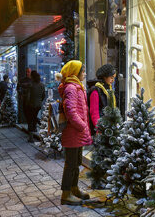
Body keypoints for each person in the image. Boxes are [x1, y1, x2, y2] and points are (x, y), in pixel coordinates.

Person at [58, 60, 92, 205]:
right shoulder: (71, 88)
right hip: (74, 132)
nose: (84, 74)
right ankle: (66, 194)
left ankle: (74, 188)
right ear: (75, 73)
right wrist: (82, 125)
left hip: (77, 132)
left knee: (77, 162)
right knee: (71, 164)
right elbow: (70, 111)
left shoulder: (77, 87)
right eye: (83, 71)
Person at [88, 64, 116, 134]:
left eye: (114, 78)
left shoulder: (108, 89)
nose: (113, 80)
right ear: (104, 77)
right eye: (111, 77)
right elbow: (94, 112)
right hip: (100, 130)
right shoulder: (95, 90)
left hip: (108, 129)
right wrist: (99, 129)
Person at [25, 70, 45, 142]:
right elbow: (43, 95)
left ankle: (31, 137)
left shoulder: (31, 85)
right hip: (38, 105)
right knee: (34, 117)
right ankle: (38, 127)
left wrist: (27, 103)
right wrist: (39, 101)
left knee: (30, 120)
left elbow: (28, 96)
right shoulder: (42, 85)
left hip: (31, 105)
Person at [17, 68, 33, 132]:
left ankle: (31, 127)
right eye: (27, 72)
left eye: (29, 72)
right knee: (26, 113)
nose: (27, 73)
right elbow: (18, 88)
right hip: (25, 100)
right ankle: (30, 126)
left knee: (31, 114)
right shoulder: (22, 80)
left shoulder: (33, 80)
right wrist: (21, 94)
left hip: (32, 100)